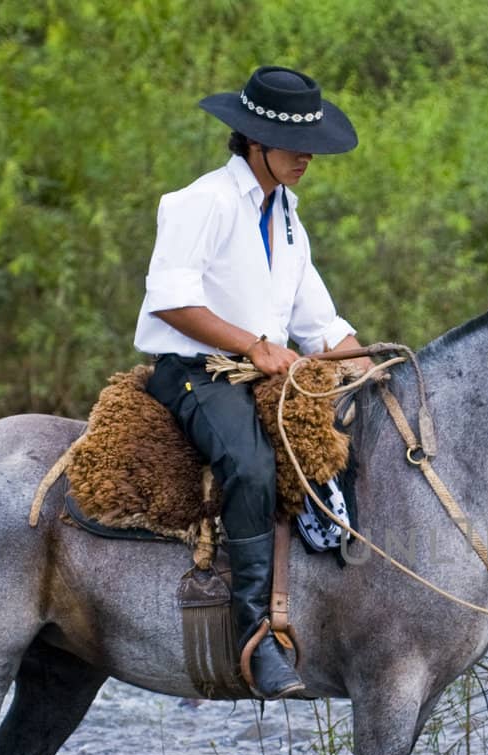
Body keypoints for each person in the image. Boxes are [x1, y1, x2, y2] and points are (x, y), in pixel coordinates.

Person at [134, 65, 361, 700]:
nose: (305, 160)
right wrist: (256, 346)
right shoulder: (201, 202)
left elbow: (319, 325)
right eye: (293, 147)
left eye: (310, 149)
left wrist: (370, 367)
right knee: (253, 467)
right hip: (195, 371)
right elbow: (169, 301)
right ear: (255, 143)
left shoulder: (288, 218)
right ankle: (254, 635)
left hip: (257, 370)